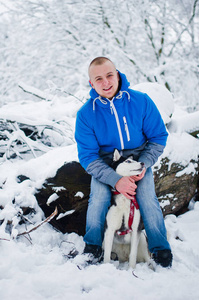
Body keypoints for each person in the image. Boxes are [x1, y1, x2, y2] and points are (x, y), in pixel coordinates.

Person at [74, 57, 172, 268]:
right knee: (99, 198)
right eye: (98, 79)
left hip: (137, 160)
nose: (106, 82)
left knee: (146, 196)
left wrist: (144, 164)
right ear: (91, 83)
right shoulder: (85, 114)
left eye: (109, 75)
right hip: (104, 163)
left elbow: (158, 137)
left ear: (117, 74)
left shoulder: (140, 101)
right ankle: (92, 247)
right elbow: (88, 156)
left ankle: (160, 248)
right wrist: (116, 180)